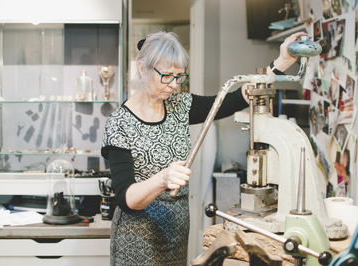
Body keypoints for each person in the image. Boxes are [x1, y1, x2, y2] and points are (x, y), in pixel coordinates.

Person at [101, 31, 307, 265]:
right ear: (142, 68)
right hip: (137, 241)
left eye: (179, 77)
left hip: (175, 233)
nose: (173, 85)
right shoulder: (120, 123)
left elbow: (233, 99)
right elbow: (127, 198)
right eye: (166, 76)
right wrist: (163, 178)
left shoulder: (179, 105)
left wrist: (282, 61)